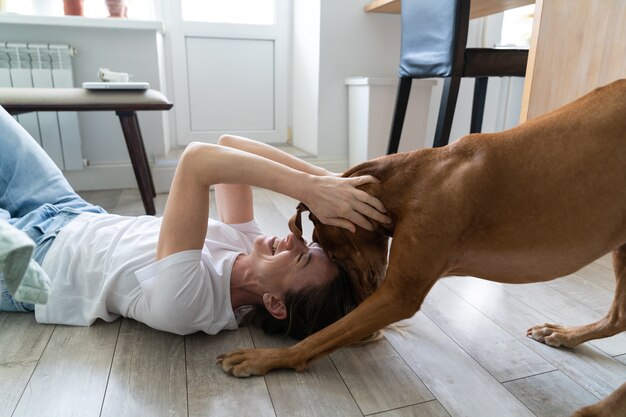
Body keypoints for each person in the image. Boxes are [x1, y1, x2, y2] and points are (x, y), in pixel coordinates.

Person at [0, 106, 389, 339]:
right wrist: (328, 184)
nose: (293, 239)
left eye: (301, 258)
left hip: (28, 263)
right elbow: (228, 146)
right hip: (71, 213)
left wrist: (309, 187)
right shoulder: (246, 248)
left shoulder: (189, 304)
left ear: (274, 304)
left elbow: (198, 161)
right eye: (309, 245)